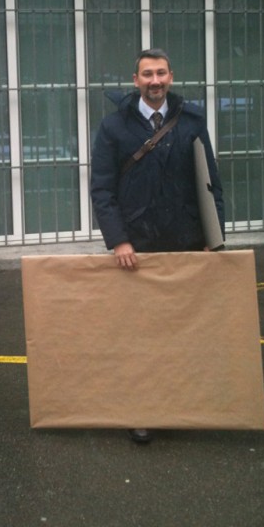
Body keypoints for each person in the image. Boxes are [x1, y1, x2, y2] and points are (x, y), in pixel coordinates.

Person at [90, 48, 225, 443]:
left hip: (186, 243)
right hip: (138, 249)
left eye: (161, 73)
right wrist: (119, 241)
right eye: (147, 74)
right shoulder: (113, 127)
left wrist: (213, 239)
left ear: (171, 77)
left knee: (183, 329)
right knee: (140, 334)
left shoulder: (192, 121)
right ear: (135, 80)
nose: (155, 81)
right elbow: (102, 190)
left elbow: (210, 183)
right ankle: (142, 411)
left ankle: (182, 405)